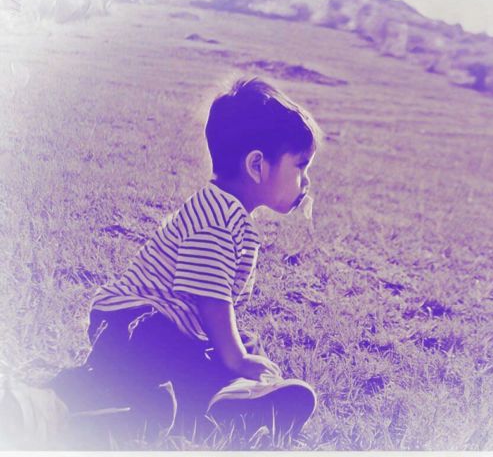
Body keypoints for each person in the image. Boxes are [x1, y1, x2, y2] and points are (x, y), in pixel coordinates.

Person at [46, 76, 322, 448]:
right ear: (257, 165)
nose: (306, 181)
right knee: (191, 349)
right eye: (300, 166)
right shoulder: (217, 220)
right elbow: (211, 300)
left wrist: (240, 352)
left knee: (236, 342)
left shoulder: (228, 212)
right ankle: (83, 393)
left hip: (166, 327)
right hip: (128, 322)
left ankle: (239, 399)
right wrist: (237, 359)